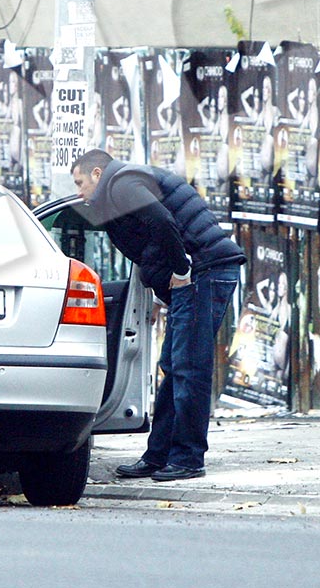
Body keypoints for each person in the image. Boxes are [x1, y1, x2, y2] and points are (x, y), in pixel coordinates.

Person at [71, 148, 245, 481]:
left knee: (189, 368)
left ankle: (189, 459)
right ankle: (159, 455)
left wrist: (182, 270)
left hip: (203, 270)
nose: (79, 192)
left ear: (97, 174)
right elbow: (149, 244)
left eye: (81, 182)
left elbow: (163, 221)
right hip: (199, 273)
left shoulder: (121, 184)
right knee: (174, 366)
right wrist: (156, 295)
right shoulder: (118, 193)